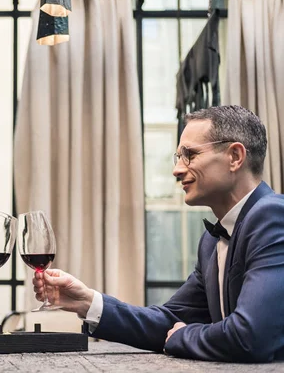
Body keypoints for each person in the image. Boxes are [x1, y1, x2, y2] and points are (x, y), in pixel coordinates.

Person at [33, 105, 284, 363]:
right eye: (178, 157)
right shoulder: (210, 241)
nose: (177, 170)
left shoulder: (273, 217)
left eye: (190, 154)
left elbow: (250, 337)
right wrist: (87, 302)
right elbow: (169, 321)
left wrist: (184, 335)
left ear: (234, 156)